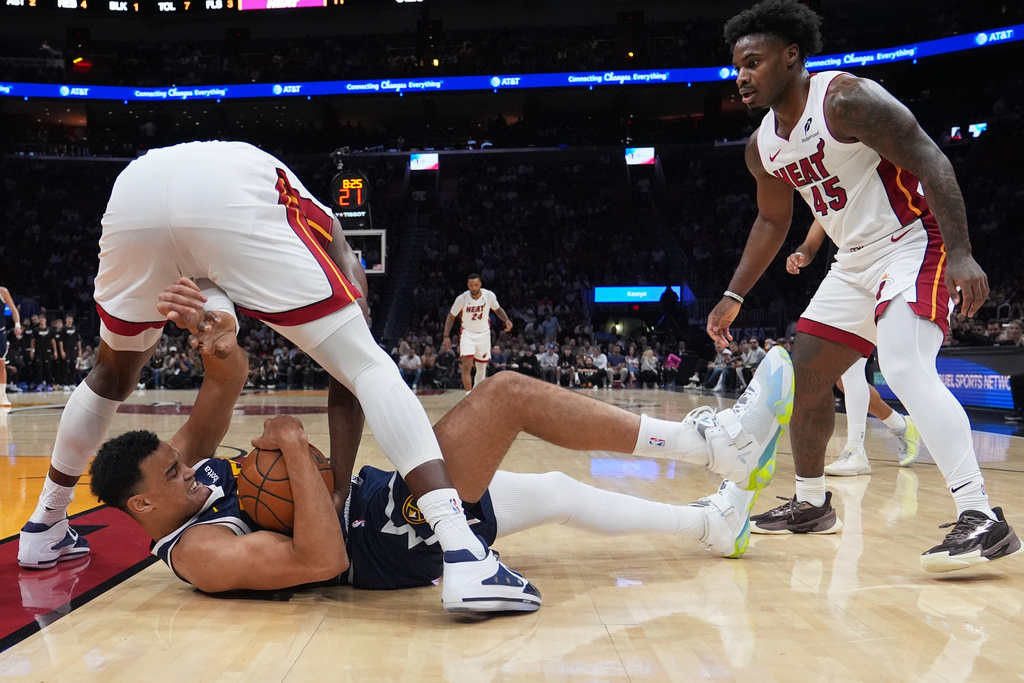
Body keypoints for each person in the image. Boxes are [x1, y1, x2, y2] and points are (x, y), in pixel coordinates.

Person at [16, 141, 537, 614]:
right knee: (366, 362)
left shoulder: (224, 173)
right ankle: (463, 549)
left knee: (111, 373)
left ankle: (44, 525)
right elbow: (251, 254)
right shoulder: (316, 214)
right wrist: (354, 295)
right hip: (228, 193)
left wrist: (224, 323)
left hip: (131, 191)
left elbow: (210, 277)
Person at [87, 326, 797, 597]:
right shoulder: (201, 552)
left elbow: (224, 382)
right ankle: (712, 444)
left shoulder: (177, 480)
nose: (188, 467)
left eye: (179, 462)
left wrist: (214, 335)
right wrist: (298, 450)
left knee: (555, 489)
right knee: (505, 396)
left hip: (388, 503)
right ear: (143, 506)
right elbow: (320, 562)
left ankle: (711, 527)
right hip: (383, 540)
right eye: (173, 474)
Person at [708, 0, 1018, 572]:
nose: (742, 77)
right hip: (852, 261)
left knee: (903, 367)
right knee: (809, 372)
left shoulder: (845, 99)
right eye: (737, 66)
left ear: (792, 56)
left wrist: (964, 253)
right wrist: (733, 295)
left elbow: (931, 158)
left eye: (753, 63)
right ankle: (810, 503)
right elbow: (772, 221)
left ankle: (982, 517)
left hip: (912, 239)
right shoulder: (763, 147)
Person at [786, 220, 922, 476]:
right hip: (845, 272)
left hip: (886, 267)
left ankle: (856, 451)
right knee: (841, 381)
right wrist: (803, 252)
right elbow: (816, 231)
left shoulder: (874, 188)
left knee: (851, 371)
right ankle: (900, 425)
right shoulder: (827, 193)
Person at [443, 274, 513, 394]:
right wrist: (446, 336)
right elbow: (451, 316)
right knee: (466, 365)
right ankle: (468, 395)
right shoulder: (462, 298)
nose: (474, 288)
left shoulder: (489, 295)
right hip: (467, 334)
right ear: (468, 285)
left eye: (476, 285)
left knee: (481, 368)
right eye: (471, 285)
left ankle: (476, 394)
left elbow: (497, 309)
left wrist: (506, 320)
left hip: (484, 334)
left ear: (480, 284)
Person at [1, 285, 23, 407]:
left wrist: (17, 324)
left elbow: (13, 309)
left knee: (1, 363)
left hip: (0, 331)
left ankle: (2, 396)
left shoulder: (3, 291)